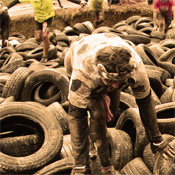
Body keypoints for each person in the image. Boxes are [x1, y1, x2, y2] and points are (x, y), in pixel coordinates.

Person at [64, 33, 175, 175]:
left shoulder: (136, 67)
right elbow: (76, 115)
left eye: (119, 82)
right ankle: (106, 166)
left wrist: (157, 140)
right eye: (110, 81)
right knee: (98, 114)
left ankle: (97, 133)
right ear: (101, 73)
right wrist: (79, 164)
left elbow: (146, 103)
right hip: (77, 54)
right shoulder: (83, 71)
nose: (115, 86)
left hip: (111, 58)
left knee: (113, 112)